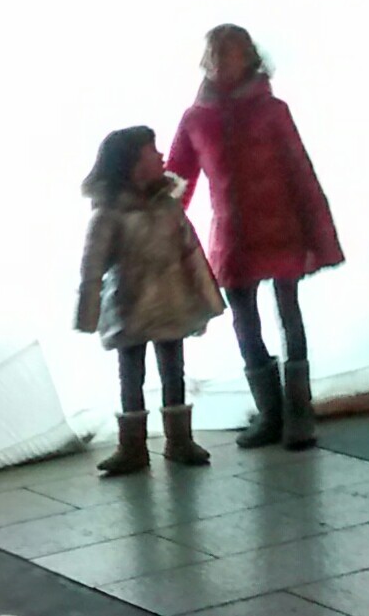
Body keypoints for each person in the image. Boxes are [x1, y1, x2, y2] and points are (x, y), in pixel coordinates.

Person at [169, 24, 344, 451]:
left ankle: (298, 414)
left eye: (229, 53)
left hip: (282, 228)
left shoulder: (273, 111)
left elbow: (300, 172)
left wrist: (320, 236)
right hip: (233, 234)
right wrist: (154, 220)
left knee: (290, 316)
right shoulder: (195, 119)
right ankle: (272, 412)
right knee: (244, 322)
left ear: (249, 56)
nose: (220, 62)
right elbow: (178, 177)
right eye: (214, 54)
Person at [74, 125, 225, 477]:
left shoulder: (168, 206)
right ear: (132, 164)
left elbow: (193, 255)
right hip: (130, 308)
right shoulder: (109, 214)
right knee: (132, 376)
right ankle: (133, 446)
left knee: (174, 372)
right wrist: (88, 313)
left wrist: (207, 301)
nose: (160, 157)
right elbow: (92, 267)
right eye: (150, 152)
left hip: (172, 303)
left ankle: (179, 440)